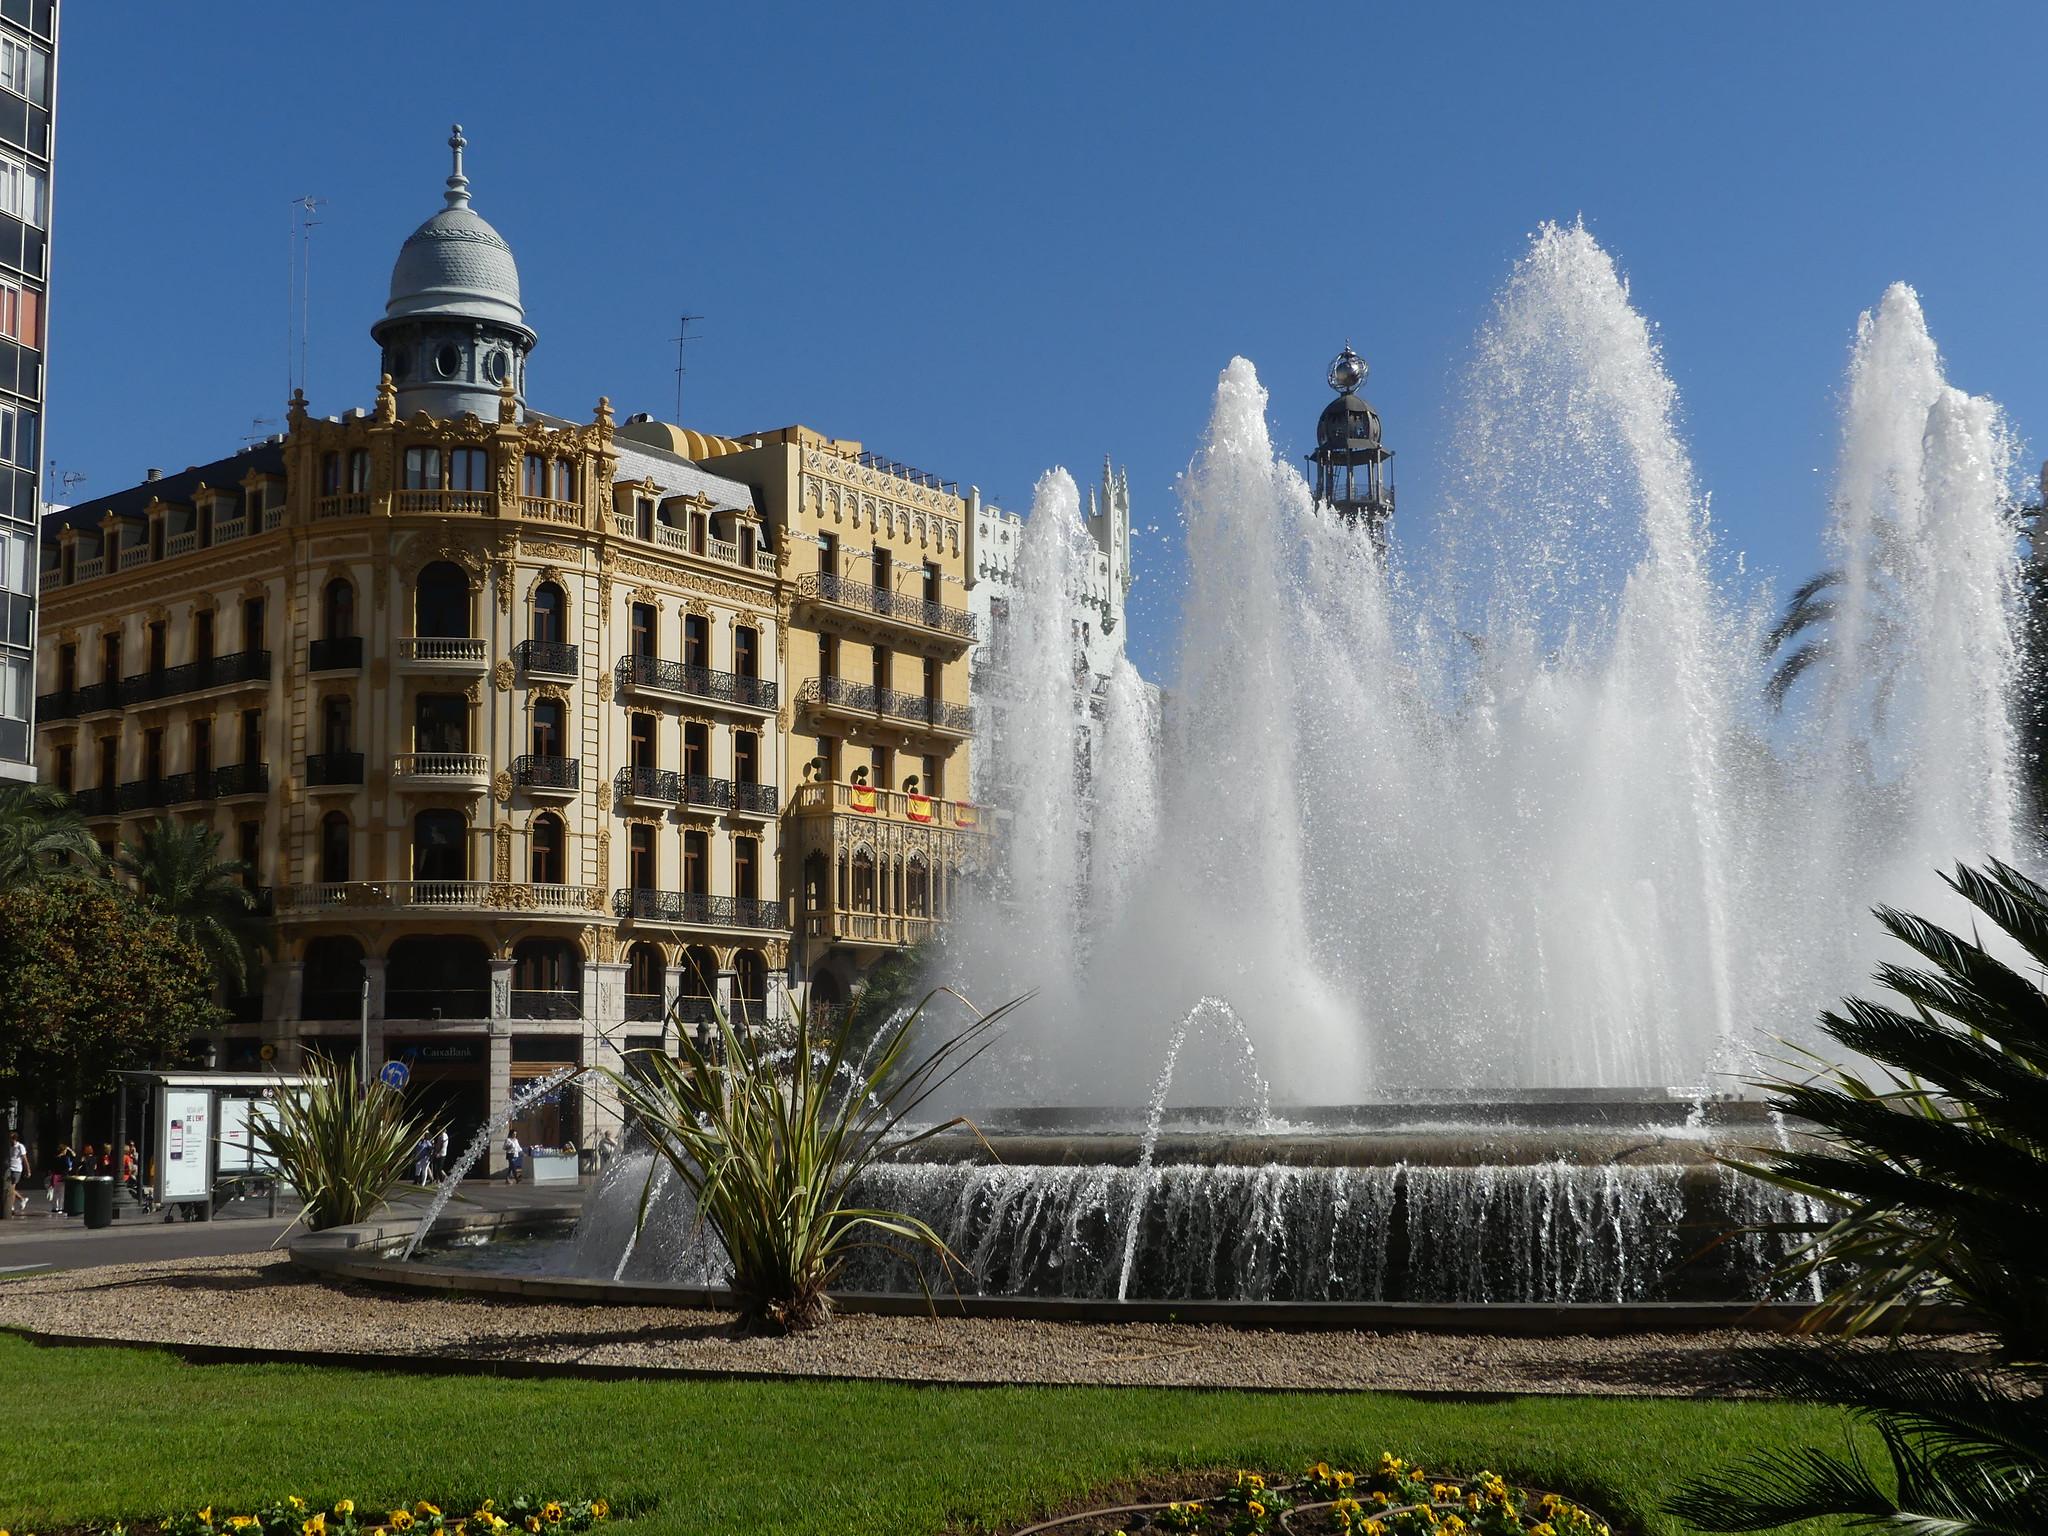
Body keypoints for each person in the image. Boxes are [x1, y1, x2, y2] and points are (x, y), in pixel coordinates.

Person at [3, 1128, 27, 1217]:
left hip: (17, 1169)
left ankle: (11, 1207)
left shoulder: (20, 1146)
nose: (10, 1140)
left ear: (15, 1139)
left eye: (11, 1139)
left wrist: (28, 1170)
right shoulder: (8, 1147)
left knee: (11, 1189)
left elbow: (25, 1159)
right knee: (9, 1188)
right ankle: (21, 1199)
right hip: (9, 1169)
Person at [47, 1142, 75, 1213]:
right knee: (62, 1193)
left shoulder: (55, 1158)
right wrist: (70, 1149)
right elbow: (70, 1163)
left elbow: (51, 1168)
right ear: (64, 1150)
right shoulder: (66, 1158)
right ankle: (60, 1207)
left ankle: (54, 1208)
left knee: (55, 1192)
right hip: (63, 1176)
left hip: (55, 1176)